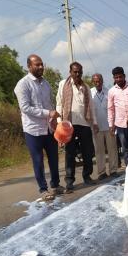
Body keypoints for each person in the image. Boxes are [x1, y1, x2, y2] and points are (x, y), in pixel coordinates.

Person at [14, 54, 63, 201]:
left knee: (54, 158)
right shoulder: (22, 84)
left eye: (42, 64)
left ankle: (56, 185)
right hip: (33, 130)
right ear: (29, 66)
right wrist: (49, 113)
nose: (41, 67)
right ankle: (43, 189)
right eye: (37, 65)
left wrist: (54, 122)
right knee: (38, 160)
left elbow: (50, 105)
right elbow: (25, 108)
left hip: (48, 129)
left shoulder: (46, 84)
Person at [56, 62, 98, 192]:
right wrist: (59, 122)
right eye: (75, 72)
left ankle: (87, 176)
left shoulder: (85, 87)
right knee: (70, 153)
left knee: (88, 152)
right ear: (70, 72)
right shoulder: (63, 84)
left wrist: (94, 122)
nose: (77, 74)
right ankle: (69, 181)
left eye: (80, 72)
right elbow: (59, 103)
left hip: (85, 123)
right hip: (69, 124)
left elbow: (91, 106)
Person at [91, 74, 118, 180]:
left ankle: (113, 170)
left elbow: (114, 108)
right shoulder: (90, 92)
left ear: (102, 81)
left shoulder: (109, 92)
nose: (98, 83)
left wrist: (114, 124)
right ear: (93, 82)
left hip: (109, 125)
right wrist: (93, 123)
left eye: (99, 81)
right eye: (95, 81)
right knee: (99, 150)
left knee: (112, 149)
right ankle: (101, 172)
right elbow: (89, 110)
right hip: (96, 126)